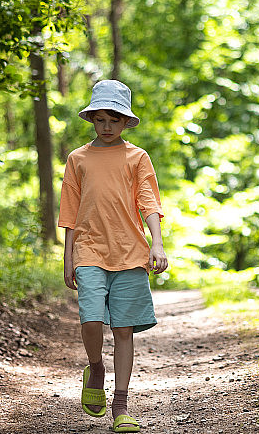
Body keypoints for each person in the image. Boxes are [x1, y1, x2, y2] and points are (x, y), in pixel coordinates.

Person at [58, 79, 168, 433]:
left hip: (130, 252)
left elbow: (149, 202)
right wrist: (68, 257)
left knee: (123, 329)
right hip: (89, 249)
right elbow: (70, 211)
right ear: (92, 120)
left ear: (125, 122)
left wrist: (157, 243)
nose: (107, 127)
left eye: (114, 120)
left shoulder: (137, 157)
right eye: (101, 120)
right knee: (90, 321)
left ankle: (120, 404)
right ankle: (96, 367)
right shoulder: (78, 159)